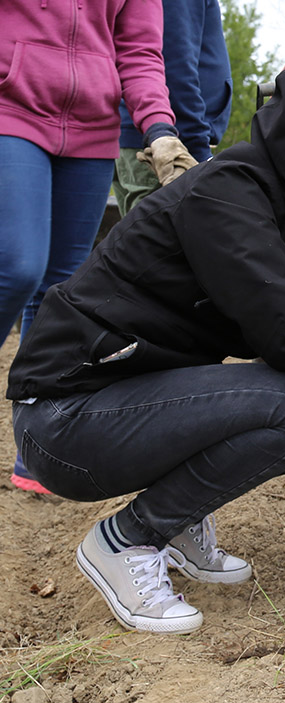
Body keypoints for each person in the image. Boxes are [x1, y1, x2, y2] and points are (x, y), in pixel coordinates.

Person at [7, 64, 285, 634]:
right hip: (64, 418)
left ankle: (178, 523)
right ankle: (127, 539)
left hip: (125, 400)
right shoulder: (226, 195)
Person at [1, 0, 194, 492]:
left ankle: (34, 452)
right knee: (17, 265)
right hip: (11, 106)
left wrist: (161, 130)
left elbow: (139, 50)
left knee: (60, 292)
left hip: (90, 131)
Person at [112, 0, 233, 216]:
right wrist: (195, 148)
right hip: (165, 144)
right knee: (159, 243)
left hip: (159, 136)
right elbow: (175, 61)